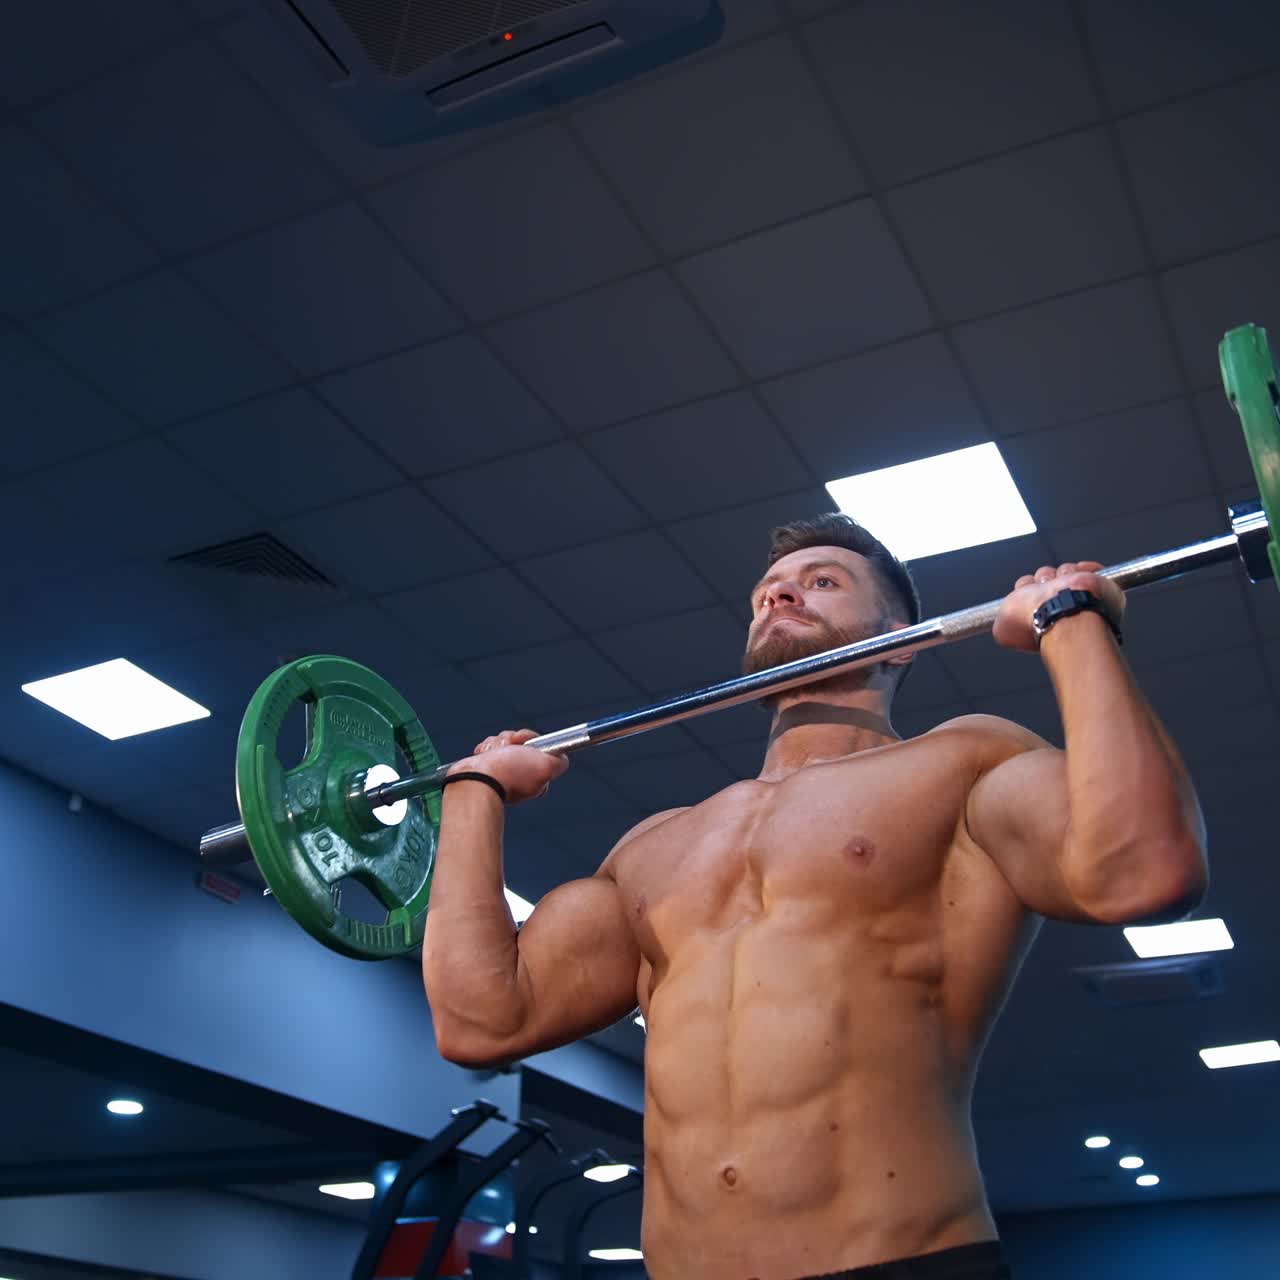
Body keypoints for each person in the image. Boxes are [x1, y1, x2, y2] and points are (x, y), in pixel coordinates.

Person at [422, 513, 1208, 1280]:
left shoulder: (962, 762)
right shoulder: (652, 846)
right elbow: (484, 1021)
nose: (780, 595)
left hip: (900, 1262)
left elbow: (1142, 870)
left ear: (901, 637)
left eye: (822, 582)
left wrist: (1071, 624)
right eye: (766, 592)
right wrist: (472, 796)